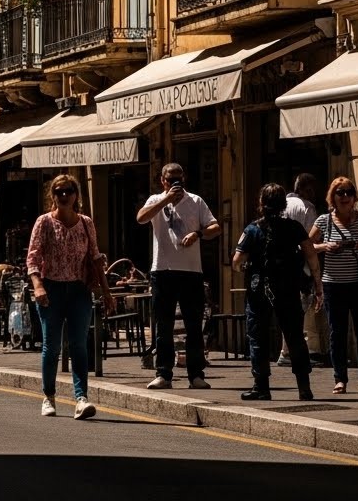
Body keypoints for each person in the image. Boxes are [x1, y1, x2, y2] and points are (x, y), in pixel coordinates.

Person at [27, 174, 115, 420]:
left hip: (79, 290)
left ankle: (81, 398)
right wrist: (38, 285)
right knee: (52, 346)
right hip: (51, 289)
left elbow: (95, 258)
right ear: (53, 196)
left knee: (79, 345)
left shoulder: (86, 223)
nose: (64, 195)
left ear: (76, 195)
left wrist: (106, 292)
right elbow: (33, 257)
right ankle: (48, 396)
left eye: (68, 191)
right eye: (59, 192)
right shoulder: (44, 222)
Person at [232, 183, 323, 401]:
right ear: (283, 204)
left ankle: (261, 387)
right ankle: (304, 387)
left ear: (261, 203)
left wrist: (246, 268)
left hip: (259, 290)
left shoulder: (252, 229)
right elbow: (311, 256)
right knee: (295, 336)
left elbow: (236, 261)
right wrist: (317, 284)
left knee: (258, 337)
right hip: (288, 288)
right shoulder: (294, 228)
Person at [136, 163, 221, 390]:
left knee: (194, 325)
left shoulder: (196, 201)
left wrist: (198, 233)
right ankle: (164, 374)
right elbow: (141, 218)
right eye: (171, 179)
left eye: (179, 179)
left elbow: (215, 227)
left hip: (191, 272)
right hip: (162, 271)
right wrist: (166, 200)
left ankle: (196, 374)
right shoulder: (155, 200)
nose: (176, 183)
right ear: (163, 181)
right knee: (163, 326)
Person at [307, 176, 358, 394]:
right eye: (340, 192)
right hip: (333, 285)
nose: (345, 196)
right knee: (337, 333)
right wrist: (326, 246)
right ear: (332, 197)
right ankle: (340, 379)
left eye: (349, 192)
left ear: (354, 197)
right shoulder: (324, 221)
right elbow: (308, 246)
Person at [281, 173, 326, 367]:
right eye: (311, 190)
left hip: (281, 267)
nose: (314, 194)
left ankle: (286, 350)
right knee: (303, 310)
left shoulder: (281, 205)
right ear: (304, 189)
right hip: (301, 267)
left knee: (287, 309)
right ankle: (300, 351)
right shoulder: (307, 208)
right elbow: (310, 242)